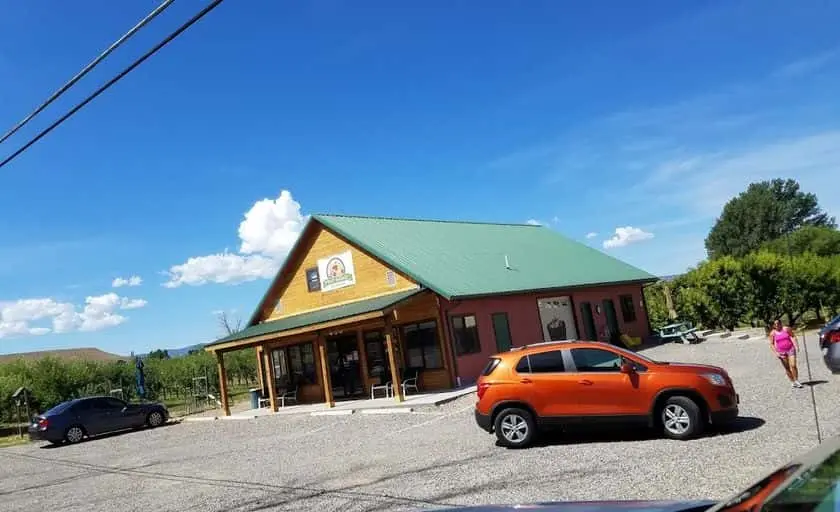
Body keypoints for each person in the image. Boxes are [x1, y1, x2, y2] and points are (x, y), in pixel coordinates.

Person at [769, 319, 803, 388]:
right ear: (773, 325)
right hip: (781, 352)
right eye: (775, 324)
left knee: (793, 365)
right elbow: (772, 344)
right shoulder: (772, 333)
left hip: (790, 349)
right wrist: (776, 353)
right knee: (787, 367)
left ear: (781, 323)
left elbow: (793, 336)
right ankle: (792, 381)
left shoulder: (786, 329)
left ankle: (796, 380)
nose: (777, 325)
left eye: (778, 323)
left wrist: (796, 346)